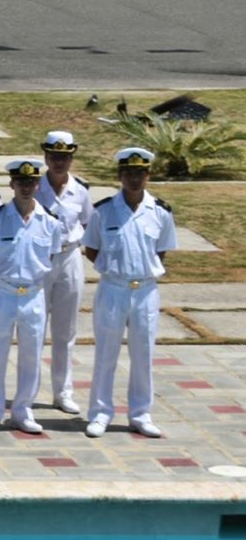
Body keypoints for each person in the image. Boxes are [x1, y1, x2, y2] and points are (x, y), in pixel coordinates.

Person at [84, 147, 176, 439]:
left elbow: (161, 251)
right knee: (106, 354)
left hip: (145, 290)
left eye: (140, 173)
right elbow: (92, 248)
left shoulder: (160, 212)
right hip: (113, 289)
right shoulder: (105, 210)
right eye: (128, 173)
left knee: (143, 354)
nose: (134, 179)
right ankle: (99, 413)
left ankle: (141, 413)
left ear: (148, 175)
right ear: (120, 176)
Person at [0, 157, 64, 436]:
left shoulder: (50, 222)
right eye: (20, 182)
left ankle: (23, 410)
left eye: (31, 182)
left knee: (31, 354)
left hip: (34, 294)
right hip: (3, 292)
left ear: (38, 185)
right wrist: (1, 280)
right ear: (11, 184)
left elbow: (51, 257)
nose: (25, 187)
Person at [38, 130, 93, 415]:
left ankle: (63, 391)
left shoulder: (81, 189)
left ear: (71, 158)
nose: (59, 162)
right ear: (46, 156)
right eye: (54, 156)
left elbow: (87, 222)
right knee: (34, 328)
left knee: (65, 329)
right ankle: (28, 392)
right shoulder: (34, 187)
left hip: (70, 255)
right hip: (41, 260)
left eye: (65, 157)